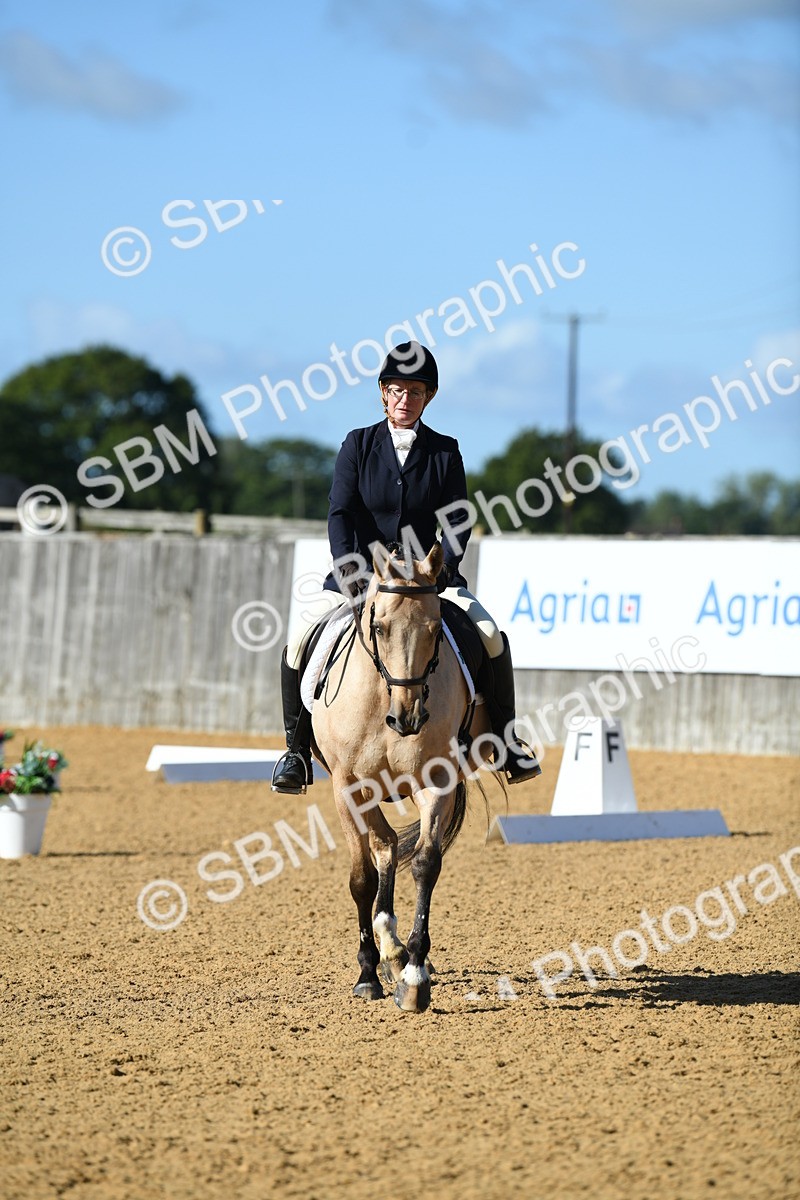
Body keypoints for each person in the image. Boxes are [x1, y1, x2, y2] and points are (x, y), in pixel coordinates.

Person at [271, 340, 541, 794]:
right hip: (360, 576)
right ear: (382, 393)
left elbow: (456, 520)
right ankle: (295, 751)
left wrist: (442, 568)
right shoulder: (357, 445)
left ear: (428, 398)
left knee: (491, 635)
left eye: (415, 392)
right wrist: (353, 572)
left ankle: (508, 741)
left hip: (426, 582)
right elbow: (340, 513)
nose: (405, 400)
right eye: (396, 390)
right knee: (298, 640)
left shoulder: (444, 451)